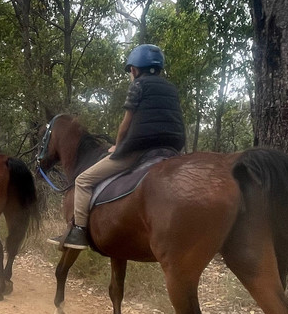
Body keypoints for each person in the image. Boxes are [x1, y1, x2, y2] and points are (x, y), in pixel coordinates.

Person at [50, 44, 186, 249]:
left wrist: (118, 145)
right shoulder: (171, 88)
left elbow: (126, 123)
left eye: (131, 70)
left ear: (134, 69)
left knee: (83, 180)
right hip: (171, 151)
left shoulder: (138, 86)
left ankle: (78, 231)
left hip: (139, 151)